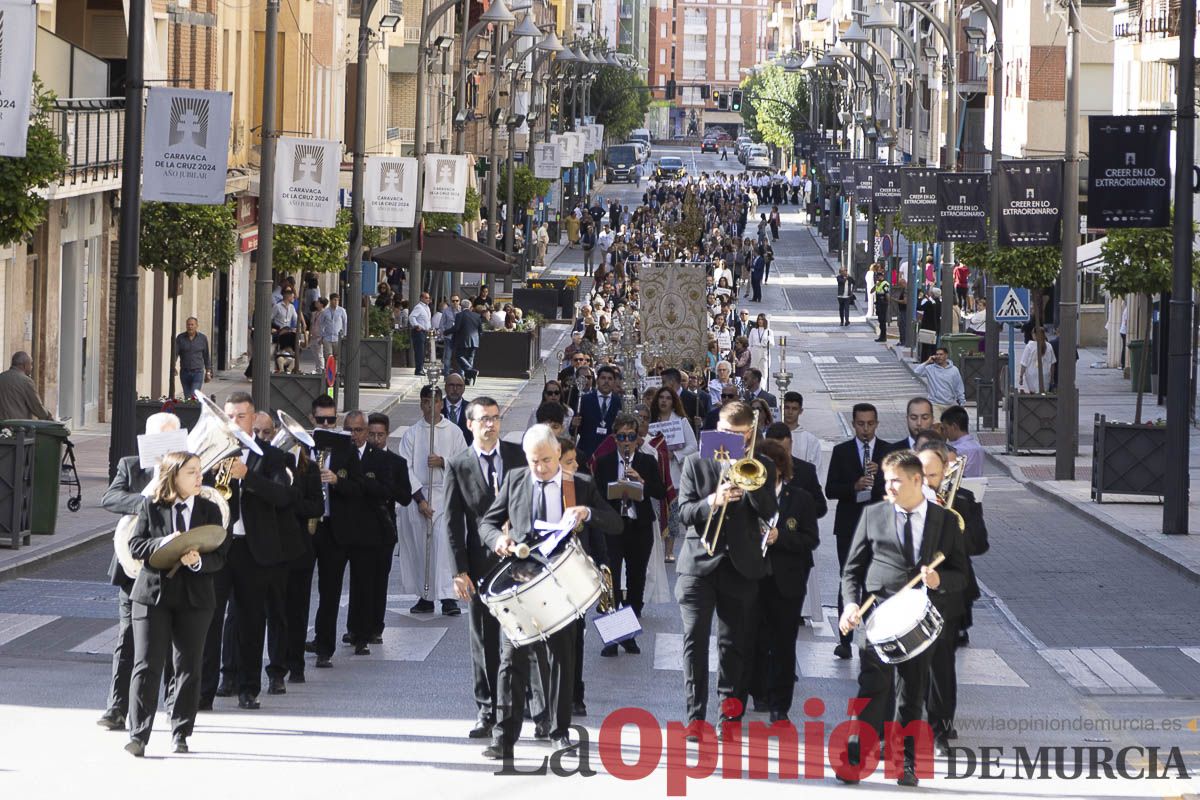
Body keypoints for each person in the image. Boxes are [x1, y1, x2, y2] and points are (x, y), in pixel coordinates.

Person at [479, 424, 621, 759]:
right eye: (533, 461)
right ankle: (503, 736)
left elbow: (615, 523)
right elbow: (487, 522)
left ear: (558, 453)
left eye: (546, 460)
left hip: (562, 581)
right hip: (521, 578)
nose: (540, 468)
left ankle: (559, 731)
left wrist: (587, 512)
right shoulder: (515, 479)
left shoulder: (580, 484)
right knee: (510, 658)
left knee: (562, 657)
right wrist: (498, 540)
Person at [837, 449, 969, 787]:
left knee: (911, 694)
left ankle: (906, 764)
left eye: (896, 480)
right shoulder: (873, 515)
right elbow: (851, 570)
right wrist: (851, 605)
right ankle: (854, 758)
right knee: (871, 688)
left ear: (916, 480)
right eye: (887, 479)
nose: (889, 486)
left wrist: (940, 581)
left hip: (919, 617)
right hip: (879, 614)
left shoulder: (944, 521)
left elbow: (961, 574)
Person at [675, 400, 777, 732]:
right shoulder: (696, 462)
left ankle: (729, 716)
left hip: (740, 564)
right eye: (721, 431)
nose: (725, 437)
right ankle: (695, 717)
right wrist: (712, 501)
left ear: (748, 435)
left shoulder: (762, 466)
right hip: (698, 564)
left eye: (734, 434)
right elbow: (684, 514)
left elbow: (767, 510)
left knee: (733, 645)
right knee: (694, 641)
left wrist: (748, 483)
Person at [124, 451, 228, 757]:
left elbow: (221, 554)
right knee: (146, 664)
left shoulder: (211, 509)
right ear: (173, 476)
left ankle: (181, 731)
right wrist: (164, 543)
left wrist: (198, 562)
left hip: (195, 598)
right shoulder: (151, 506)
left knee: (188, 666)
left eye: (199, 472)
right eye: (191, 473)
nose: (199, 478)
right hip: (153, 595)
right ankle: (138, 735)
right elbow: (136, 545)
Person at [199, 393, 293, 711]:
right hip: (219, 546)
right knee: (211, 620)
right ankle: (206, 691)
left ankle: (248, 689)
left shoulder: (272, 456)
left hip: (254, 550)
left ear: (253, 418)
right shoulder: (213, 453)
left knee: (251, 621)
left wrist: (248, 477)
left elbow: (283, 496)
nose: (235, 422)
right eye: (229, 416)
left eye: (241, 416)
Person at [445, 397, 526, 740]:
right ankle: (486, 709)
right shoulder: (459, 464)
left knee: (520, 637)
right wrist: (458, 571)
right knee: (483, 639)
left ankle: (520, 705)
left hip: (519, 563)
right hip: (480, 565)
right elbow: (452, 522)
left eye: (495, 418)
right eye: (484, 419)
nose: (491, 425)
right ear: (470, 424)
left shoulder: (517, 456)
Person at [97, 412, 182, 732]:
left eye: (172, 438)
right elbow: (111, 498)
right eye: (160, 438)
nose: (165, 446)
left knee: (176, 642)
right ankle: (116, 708)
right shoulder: (131, 466)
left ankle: (173, 707)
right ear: (147, 439)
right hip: (134, 569)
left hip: (173, 568)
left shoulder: (188, 469)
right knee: (127, 640)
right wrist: (149, 499)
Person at [915, 441, 987, 751]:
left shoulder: (966, 501)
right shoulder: (905, 496)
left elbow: (980, 544)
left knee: (942, 665)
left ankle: (941, 729)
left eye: (933, 473)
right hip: (913, 592)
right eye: (923, 473)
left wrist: (953, 525)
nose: (928, 479)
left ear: (945, 471)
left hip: (948, 591)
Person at [748, 439, 819, 722]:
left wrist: (782, 537)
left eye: (769, 464)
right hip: (753, 578)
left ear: (779, 468)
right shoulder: (748, 494)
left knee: (783, 643)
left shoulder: (800, 499)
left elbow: (810, 539)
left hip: (787, 582)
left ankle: (780, 705)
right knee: (754, 639)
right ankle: (758, 693)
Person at [591, 413, 667, 655]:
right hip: (613, 527)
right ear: (615, 439)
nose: (626, 442)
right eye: (621, 437)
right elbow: (597, 496)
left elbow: (660, 492)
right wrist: (614, 490)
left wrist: (641, 482)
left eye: (631, 437)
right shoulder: (603, 462)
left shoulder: (647, 461)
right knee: (611, 582)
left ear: (637, 439)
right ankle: (613, 638)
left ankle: (628, 633)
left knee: (636, 582)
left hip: (639, 526)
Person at [824, 403, 893, 659]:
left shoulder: (888, 451)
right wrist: (854, 486)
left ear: (876, 424)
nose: (866, 429)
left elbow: (900, 490)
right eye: (861, 424)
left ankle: (874, 637)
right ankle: (845, 639)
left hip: (879, 526)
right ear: (853, 424)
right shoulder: (842, 451)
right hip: (849, 525)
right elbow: (830, 489)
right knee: (848, 579)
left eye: (870, 424)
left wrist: (883, 476)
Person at [396, 385, 470, 615]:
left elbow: (466, 463)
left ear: (441, 404)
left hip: (444, 495)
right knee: (421, 548)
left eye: (435, 402)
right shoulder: (412, 434)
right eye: (426, 402)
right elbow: (404, 468)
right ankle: (425, 596)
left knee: (444, 547)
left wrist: (443, 462)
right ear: (421, 404)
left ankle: (448, 598)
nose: (430, 406)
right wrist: (419, 499)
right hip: (420, 497)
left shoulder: (454, 431)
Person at [572, 364, 622, 466]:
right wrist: (573, 424)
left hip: (609, 454)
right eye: (603, 378)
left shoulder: (619, 402)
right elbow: (574, 430)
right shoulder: (585, 400)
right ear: (597, 380)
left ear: (614, 382)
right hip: (587, 452)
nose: (606, 381)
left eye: (610, 379)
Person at [0, 351, 52, 420]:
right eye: (31, 364)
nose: (32, 367)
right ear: (24, 365)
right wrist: (49, 417)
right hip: (17, 427)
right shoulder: (26, 381)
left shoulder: (1, 377)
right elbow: (36, 407)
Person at [941, 405, 984, 478]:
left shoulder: (956, 450)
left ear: (954, 427)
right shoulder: (979, 447)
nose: (944, 432)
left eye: (946, 428)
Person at [175, 317, 212, 399]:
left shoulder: (202, 338)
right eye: (188, 325)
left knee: (193, 395)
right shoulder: (180, 338)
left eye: (192, 325)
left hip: (198, 372)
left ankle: (194, 409)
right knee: (187, 397)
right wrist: (172, 366)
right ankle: (192, 411)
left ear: (196, 326)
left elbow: (206, 355)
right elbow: (175, 353)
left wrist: (208, 372)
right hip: (184, 372)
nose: (190, 327)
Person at [781, 392, 821, 467]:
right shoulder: (770, 435)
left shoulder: (811, 440)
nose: (790, 412)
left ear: (800, 411)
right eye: (787, 408)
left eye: (794, 409)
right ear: (781, 408)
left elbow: (817, 469)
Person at [1019, 326, 1055, 394]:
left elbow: (1024, 363)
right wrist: (1052, 378)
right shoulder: (1049, 346)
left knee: (1033, 394)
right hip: (1045, 374)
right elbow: (1052, 364)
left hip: (1031, 374)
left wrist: (1021, 376)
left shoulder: (1029, 346)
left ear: (1034, 335)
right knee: (1044, 394)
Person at [318, 293, 348, 367]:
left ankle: (336, 374)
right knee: (328, 357)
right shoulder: (325, 312)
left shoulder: (342, 311)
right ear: (331, 301)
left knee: (337, 358)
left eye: (337, 300)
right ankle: (328, 375)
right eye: (334, 300)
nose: (336, 302)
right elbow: (321, 324)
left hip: (338, 338)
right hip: (327, 338)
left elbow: (345, 323)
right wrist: (322, 335)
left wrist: (344, 335)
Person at [441, 372, 471, 444]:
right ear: (445, 387)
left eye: (459, 386)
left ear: (464, 388)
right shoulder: (435, 407)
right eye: (451, 385)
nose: (455, 389)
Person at [410, 291, 433, 376]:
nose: (428, 299)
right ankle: (418, 369)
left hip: (425, 332)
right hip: (419, 332)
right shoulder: (419, 307)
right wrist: (416, 325)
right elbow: (411, 317)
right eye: (426, 298)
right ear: (421, 298)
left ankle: (421, 367)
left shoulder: (426, 307)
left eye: (428, 298)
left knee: (423, 352)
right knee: (419, 351)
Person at [917, 287, 942, 362]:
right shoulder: (940, 303)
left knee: (925, 346)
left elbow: (919, 307)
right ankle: (934, 360)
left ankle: (925, 360)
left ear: (933, 294)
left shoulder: (929, 303)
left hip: (927, 327)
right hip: (936, 326)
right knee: (933, 345)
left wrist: (919, 298)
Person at [872, 263, 891, 342]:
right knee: (880, 321)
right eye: (878, 276)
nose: (878, 277)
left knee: (882, 321)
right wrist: (875, 285)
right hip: (879, 304)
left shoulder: (885, 284)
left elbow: (887, 294)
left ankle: (883, 337)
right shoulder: (878, 284)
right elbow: (871, 291)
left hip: (883, 304)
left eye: (880, 276)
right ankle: (882, 336)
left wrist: (888, 303)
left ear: (882, 276)